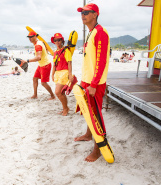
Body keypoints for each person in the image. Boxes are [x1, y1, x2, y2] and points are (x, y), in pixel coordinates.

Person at [75, 3, 110, 162]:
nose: (83, 15)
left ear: (95, 14)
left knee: (96, 115)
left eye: (86, 13)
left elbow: (101, 61)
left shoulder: (101, 33)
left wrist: (94, 84)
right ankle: (89, 135)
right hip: (87, 80)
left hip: (95, 83)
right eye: (82, 13)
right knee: (88, 112)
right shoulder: (91, 32)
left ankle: (98, 149)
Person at [21, 31, 55, 100]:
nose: (30, 38)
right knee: (35, 79)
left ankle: (52, 96)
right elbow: (45, 50)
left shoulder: (38, 45)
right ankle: (35, 94)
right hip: (41, 65)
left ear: (35, 36)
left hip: (45, 65)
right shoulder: (39, 42)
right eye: (29, 37)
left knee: (43, 83)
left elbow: (38, 58)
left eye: (31, 37)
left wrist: (27, 61)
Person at [51, 33, 73, 116]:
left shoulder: (66, 50)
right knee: (61, 93)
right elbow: (54, 65)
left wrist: (70, 75)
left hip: (64, 72)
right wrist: (52, 74)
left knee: (57, 92)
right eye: (55, 40)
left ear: (62, 41)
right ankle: (65, 108)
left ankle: (65, 109)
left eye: (59, 40)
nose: (57, 41)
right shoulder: (55, 52)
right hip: (57, 73)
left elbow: (70, 63)